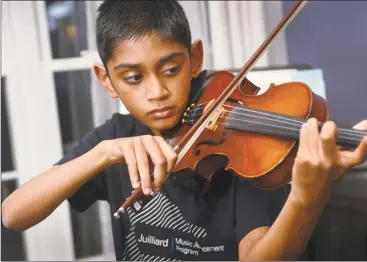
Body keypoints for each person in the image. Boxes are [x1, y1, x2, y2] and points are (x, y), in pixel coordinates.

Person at [2, 1, 367, 261]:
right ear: (106, 79)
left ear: (195, 59)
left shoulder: (247, 152)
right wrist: (102, 154)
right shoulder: (115, 135)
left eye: (171, 69)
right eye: (133, 78)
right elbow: (14, 214)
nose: (157, 91)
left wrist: (306, 198)